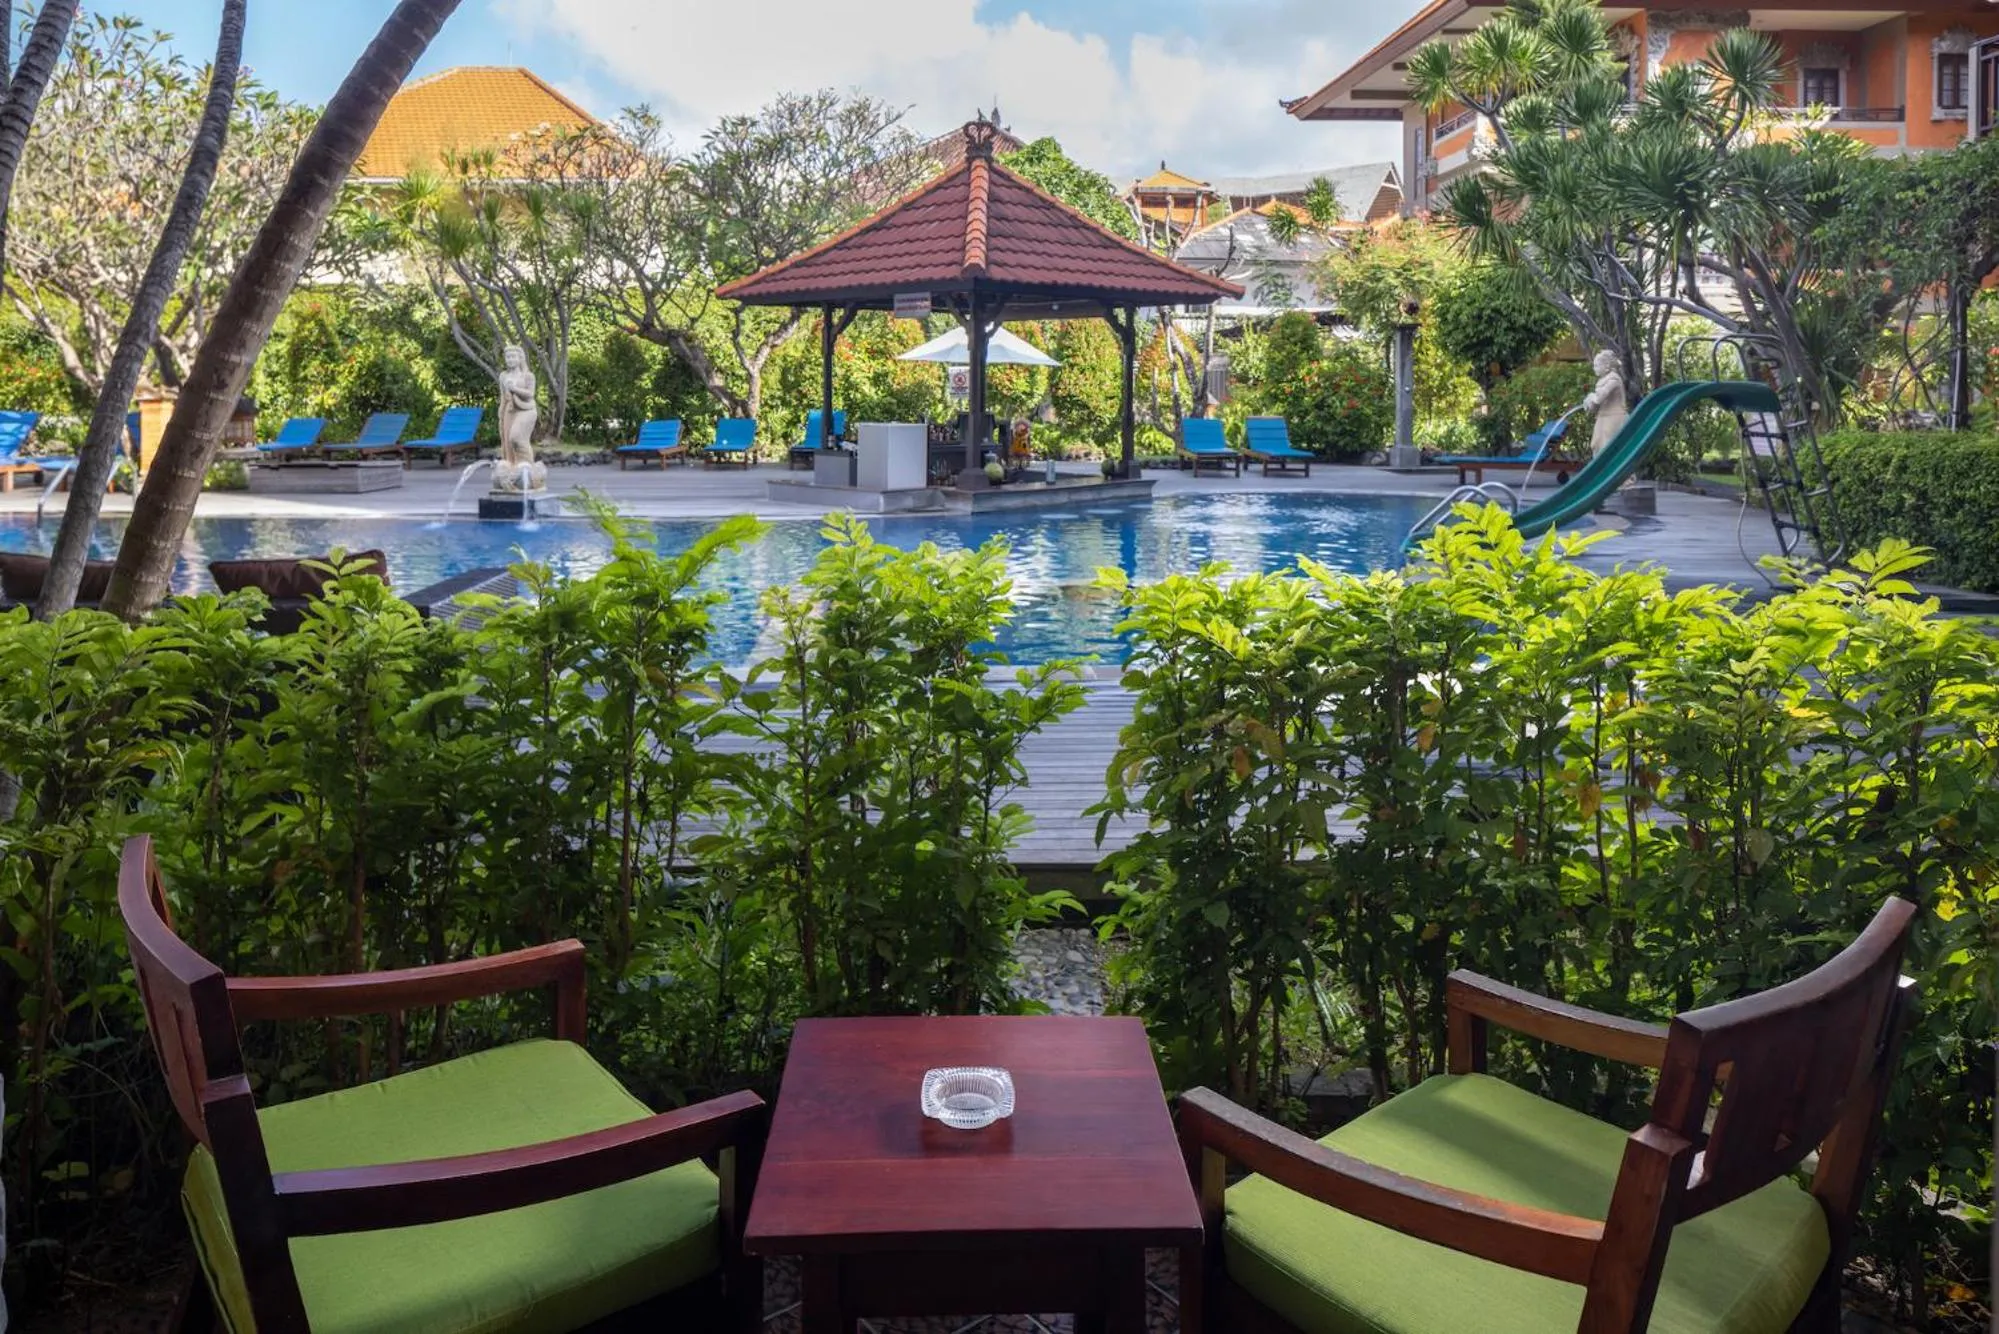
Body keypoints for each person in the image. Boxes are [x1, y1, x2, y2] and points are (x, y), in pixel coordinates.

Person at [1580, 349, 1628, 457]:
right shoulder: (1601, 381)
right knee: (1596, 444)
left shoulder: (1614, 379)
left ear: (1606, 365)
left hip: (1614, 417)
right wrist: (1589, 404)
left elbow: (1599, 398)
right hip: (1602, 417)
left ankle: (1614, 466)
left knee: (1609, 445)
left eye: (1597, 365)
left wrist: (1591, 396)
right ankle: (1600, 466)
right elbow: (1597, 405)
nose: (1594, 368)